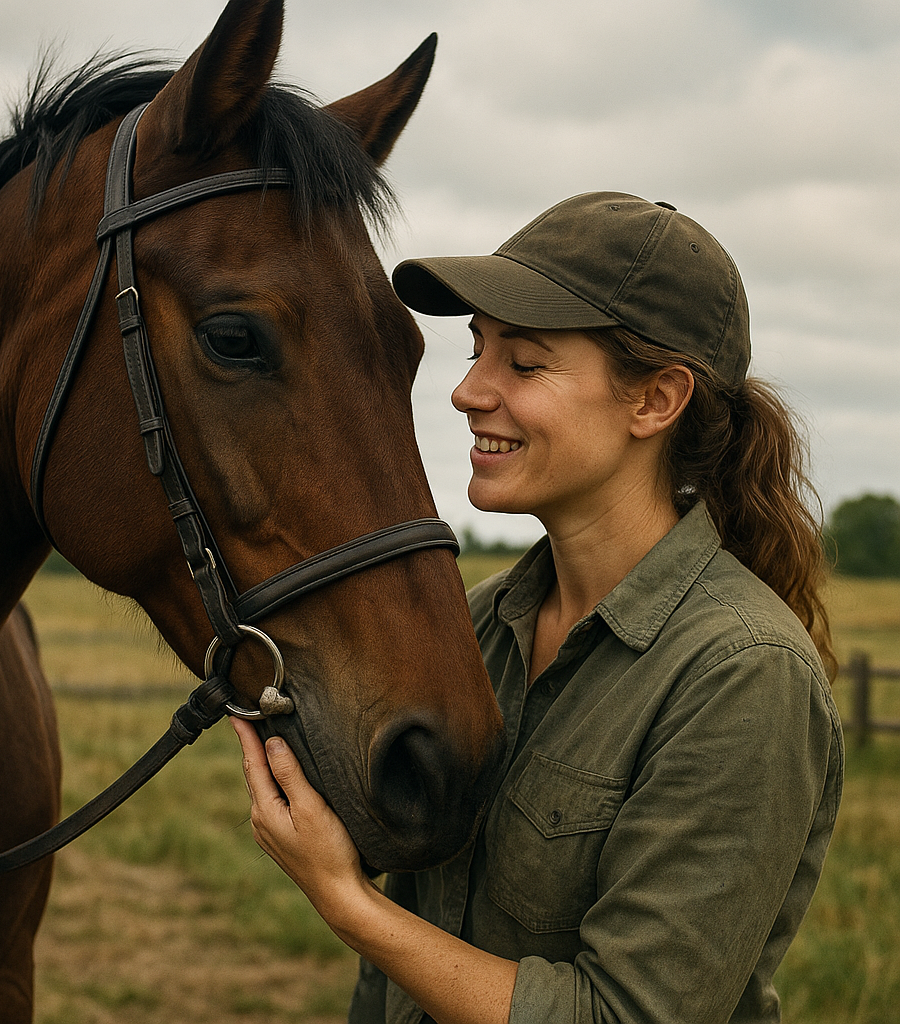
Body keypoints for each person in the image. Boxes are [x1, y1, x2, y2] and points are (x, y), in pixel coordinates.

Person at [231, 191, 843, 1024]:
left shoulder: (743, 677)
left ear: (655, 400)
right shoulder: (476, 625)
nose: (467, 392)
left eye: (523, 365)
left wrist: (349, 905)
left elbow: (626, 1013)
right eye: (479, 350)